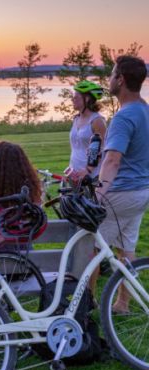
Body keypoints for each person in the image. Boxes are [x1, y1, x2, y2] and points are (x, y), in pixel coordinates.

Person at [95, 55, 149, 313]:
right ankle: (122, 304)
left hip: (120, 193)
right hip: (141, 192)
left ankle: (88, 304)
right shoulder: (145, 110)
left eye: (112, 74)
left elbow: (113, 160)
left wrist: (98, 192)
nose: (109, 79)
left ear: (121, 80)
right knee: (126, 249)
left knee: (92, 246)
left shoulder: (123, 118)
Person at [65, 80, 107, 181]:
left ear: (87, 99)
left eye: (76, 97)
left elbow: (102, 149)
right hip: (74, 173)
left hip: (91, 175)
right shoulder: (76, 119)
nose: (72, 100)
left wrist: (88, 170)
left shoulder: (97, 121)